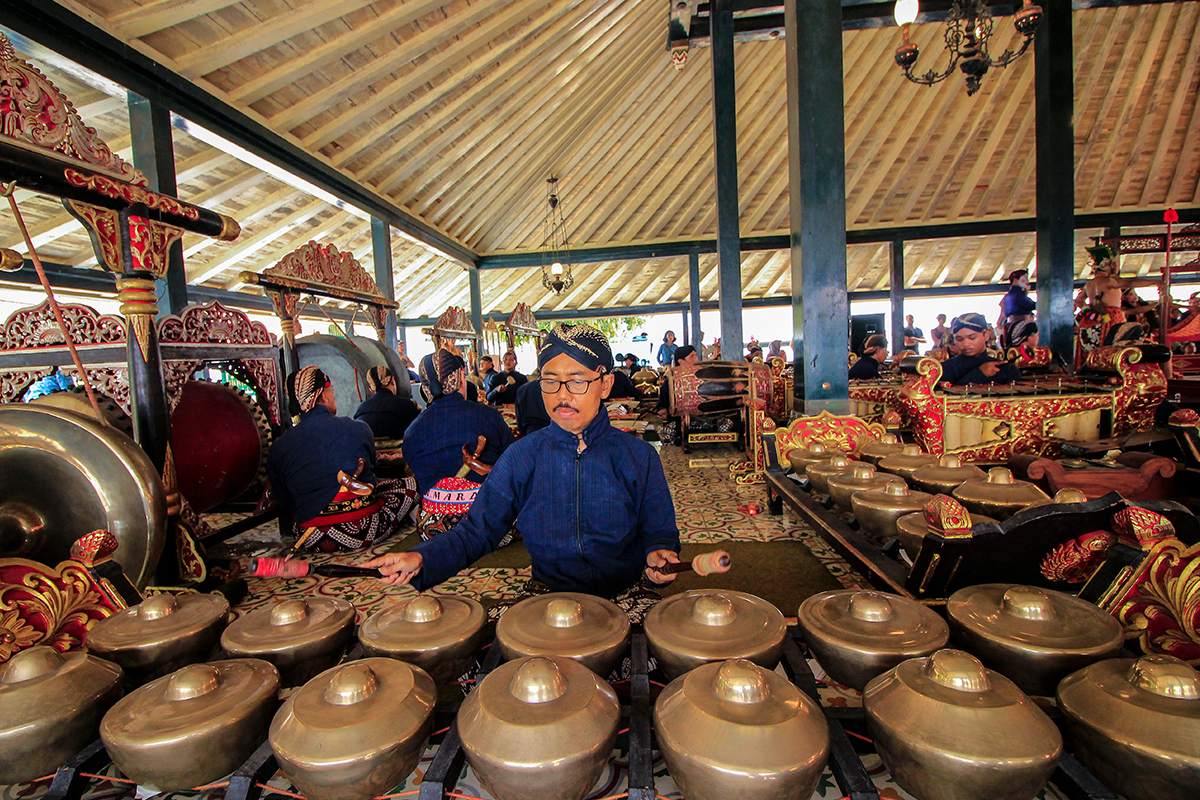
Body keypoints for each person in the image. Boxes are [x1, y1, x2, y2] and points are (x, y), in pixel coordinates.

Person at [364, 323, 682, 623]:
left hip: (625, 591)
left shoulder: (638, 456)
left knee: (666, 654)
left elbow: (661, 531)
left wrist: (660, 554)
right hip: (549, 594)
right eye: (549, 380)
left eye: (577, 380)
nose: (562, 394)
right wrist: (422, 559)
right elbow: (477, 532)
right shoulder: (522, 456)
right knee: (492, 659)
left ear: (606, 384)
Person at [266, 366, 418, 552]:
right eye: (332, 390)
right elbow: (371, 475)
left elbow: (285, 502)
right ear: (323, 395)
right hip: (362, 531)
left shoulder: (279, 447)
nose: (334, 395)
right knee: (411, 485)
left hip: (310, 538)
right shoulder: (358, 428)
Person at [402, 349, 514, 540]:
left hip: (435, 528)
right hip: (490, 524)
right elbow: (514, 462)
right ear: (461, 379)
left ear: (425, 388)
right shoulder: (488, 416)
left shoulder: (412, 430)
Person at [940, 313, 1022, 387]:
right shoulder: (945, 369)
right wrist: (979, 374)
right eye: (959, 339)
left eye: (972, 338)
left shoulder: (1007, 370)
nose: (966, 344)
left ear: (986, 335)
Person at [354, 366, 420, 439]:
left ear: (371, 389)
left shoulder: (361, 409)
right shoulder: (406, 406)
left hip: (369, 450)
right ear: (392, 380)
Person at [998, 269, 1037, 347]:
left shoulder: (1009, 295)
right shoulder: (1018, 294)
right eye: (1024, 278)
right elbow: (1030, 305)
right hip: (1021, 324)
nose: (1027, 281)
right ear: (1016, 280)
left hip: (1010, 324)